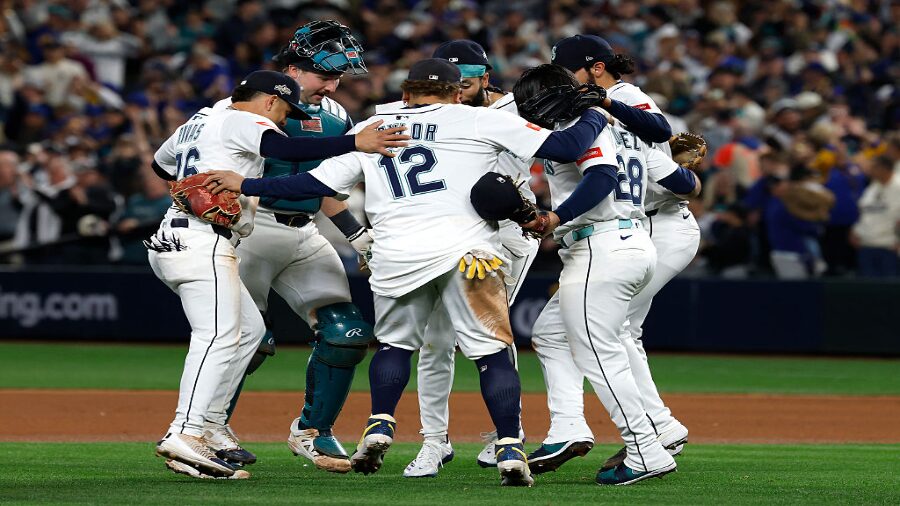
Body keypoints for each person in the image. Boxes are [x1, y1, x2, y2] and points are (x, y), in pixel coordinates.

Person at [204, 58, 610, 487]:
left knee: (395, 346)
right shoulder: (478, 119)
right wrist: (597, 112)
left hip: (397, 255)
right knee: (491, 353)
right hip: (466, 253)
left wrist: (247, 184)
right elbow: (566, 147)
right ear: (457, 93)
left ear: (405, 93)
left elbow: (314, 185)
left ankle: (380, 424)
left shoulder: (375, 126)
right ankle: (509, 446)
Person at [148, 70, 407, 480]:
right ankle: (185, 431)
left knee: (248, 333)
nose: (285, 120)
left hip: (183, 235)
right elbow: (283, 147)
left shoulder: (196, 122)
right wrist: (355, 142)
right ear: (269, 101)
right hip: (204, 240)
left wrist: (189, 188)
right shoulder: (242, 118)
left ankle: (209, 429)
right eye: (285, 111)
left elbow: (161, 164)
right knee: (217, 336)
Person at [198, 21, 389, 476]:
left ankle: (313, 430)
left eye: (337, 77)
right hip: (249, 230)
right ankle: (205, 431)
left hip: (304, 231)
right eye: (324, 75)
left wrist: (357, 235)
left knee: (347, 332)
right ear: (292, 70)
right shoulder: (240, 109)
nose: (332, 86)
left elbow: (325, 185)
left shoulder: (336, 114)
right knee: (247, 340)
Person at [513, 63, 700, 486]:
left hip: (602, 243)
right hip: (631, 239)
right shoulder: (616, 126)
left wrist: (555, 216)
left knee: (602, 354)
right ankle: (572, 427)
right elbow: (686, 182)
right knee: (551, 333)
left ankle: (646, 448)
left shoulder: (582, 125)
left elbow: (601, 177)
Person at [402, 39, 539, 478]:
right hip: (446, 232)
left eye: (468, 80)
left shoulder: (517, 108)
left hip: (506, 232)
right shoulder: (428, 112)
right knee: (435, 339)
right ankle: (433, 441)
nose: (459, 87)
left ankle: (507, 435)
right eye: (452, 80)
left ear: (486, 78)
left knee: (494, 334)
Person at [852, 156, 900, 277]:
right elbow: (864, 211)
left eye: (874, 167)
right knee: (867, 285)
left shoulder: (898, 186)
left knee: (889, 285)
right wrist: (856, 231)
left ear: (885, 168)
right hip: (867, 244)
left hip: (889, 247)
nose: (870, 170)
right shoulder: (872, 187)